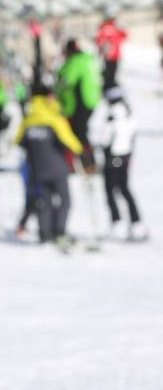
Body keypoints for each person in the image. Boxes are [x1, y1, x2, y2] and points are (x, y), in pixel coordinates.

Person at [13, 85, 83, 247]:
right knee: (64, 199)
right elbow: (69, 140)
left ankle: (44, 232)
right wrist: (82, 153)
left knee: (43, 200)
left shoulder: (28, 119)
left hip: (37, 168)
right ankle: (59, 231)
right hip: (57, 167)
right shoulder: (54, 117)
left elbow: (18, 141)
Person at [101, 87, 147, 242]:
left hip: (111, 158)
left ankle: (117, 222)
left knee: (110, 191)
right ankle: (136, 222)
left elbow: (105, 139)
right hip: (125, 157)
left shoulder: (112, 117)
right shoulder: (129, 114)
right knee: (125, 190)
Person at [56, 39, 103, 172]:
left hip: (81, 101)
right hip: (92, 100)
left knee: (79, 133)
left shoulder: (76, 61)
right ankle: (87, 163)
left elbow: (67, 80)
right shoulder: (89, 59)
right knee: (81, 132)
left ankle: (88, 163)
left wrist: (55, 90)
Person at [95, 15, 127, 92]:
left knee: (113, 70)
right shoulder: (106, 28)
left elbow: (124, 36)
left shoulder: (115, 28)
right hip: (110, 54)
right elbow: (100, 40)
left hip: (115, 54)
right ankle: (108, 85)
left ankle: (111, 84)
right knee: (109, 70)